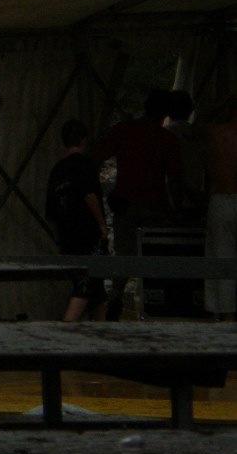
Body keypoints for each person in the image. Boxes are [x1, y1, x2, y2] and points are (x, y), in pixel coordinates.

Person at [94, 89, 184, 320]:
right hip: (156, 205)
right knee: (157, 254)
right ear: (164, 112)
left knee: (124, 253)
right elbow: (174, 179)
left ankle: (117, 293)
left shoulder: (124, 130)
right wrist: (176, 209)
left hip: (125, 202)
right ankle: (156, 300)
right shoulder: (167, 139)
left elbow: (98, 156)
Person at [45, 119, 109, 321]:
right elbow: (90, 197)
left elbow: (51, 212)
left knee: (95, 290)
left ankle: (101, 334)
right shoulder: (86, 165)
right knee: (85, 286)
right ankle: (66, 330)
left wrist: (59, 240)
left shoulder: (58, 169)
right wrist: (102, 227)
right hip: (88, 235)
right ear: (84, 140)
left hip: (67, 236)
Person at [203, 97, 237, 321]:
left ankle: (227, 318)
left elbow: (198, 124)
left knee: (222, 261)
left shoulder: (215, 134)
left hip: (222, 199)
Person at [165, 89, 206, 223]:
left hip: (171, 202)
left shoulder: (166, 134)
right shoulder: (198, 135)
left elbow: (172, 175)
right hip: (196, 200)